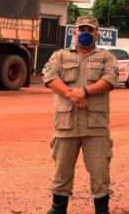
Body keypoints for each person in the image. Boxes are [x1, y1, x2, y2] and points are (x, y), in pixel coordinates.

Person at [43, 16, 118, 214]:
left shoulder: (106, 57)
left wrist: (84, 92)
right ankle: (58, 208)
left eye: (90, 30)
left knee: (100, 171)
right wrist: (72, 94)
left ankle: (102, 210)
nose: (85, 33)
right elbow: (50, 77)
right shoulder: (60, 55)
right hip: (66, 124)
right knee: (62, 171)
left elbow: (110, 80)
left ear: (97, 34)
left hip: (95, 126)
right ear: (74, 33)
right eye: (82, 30)